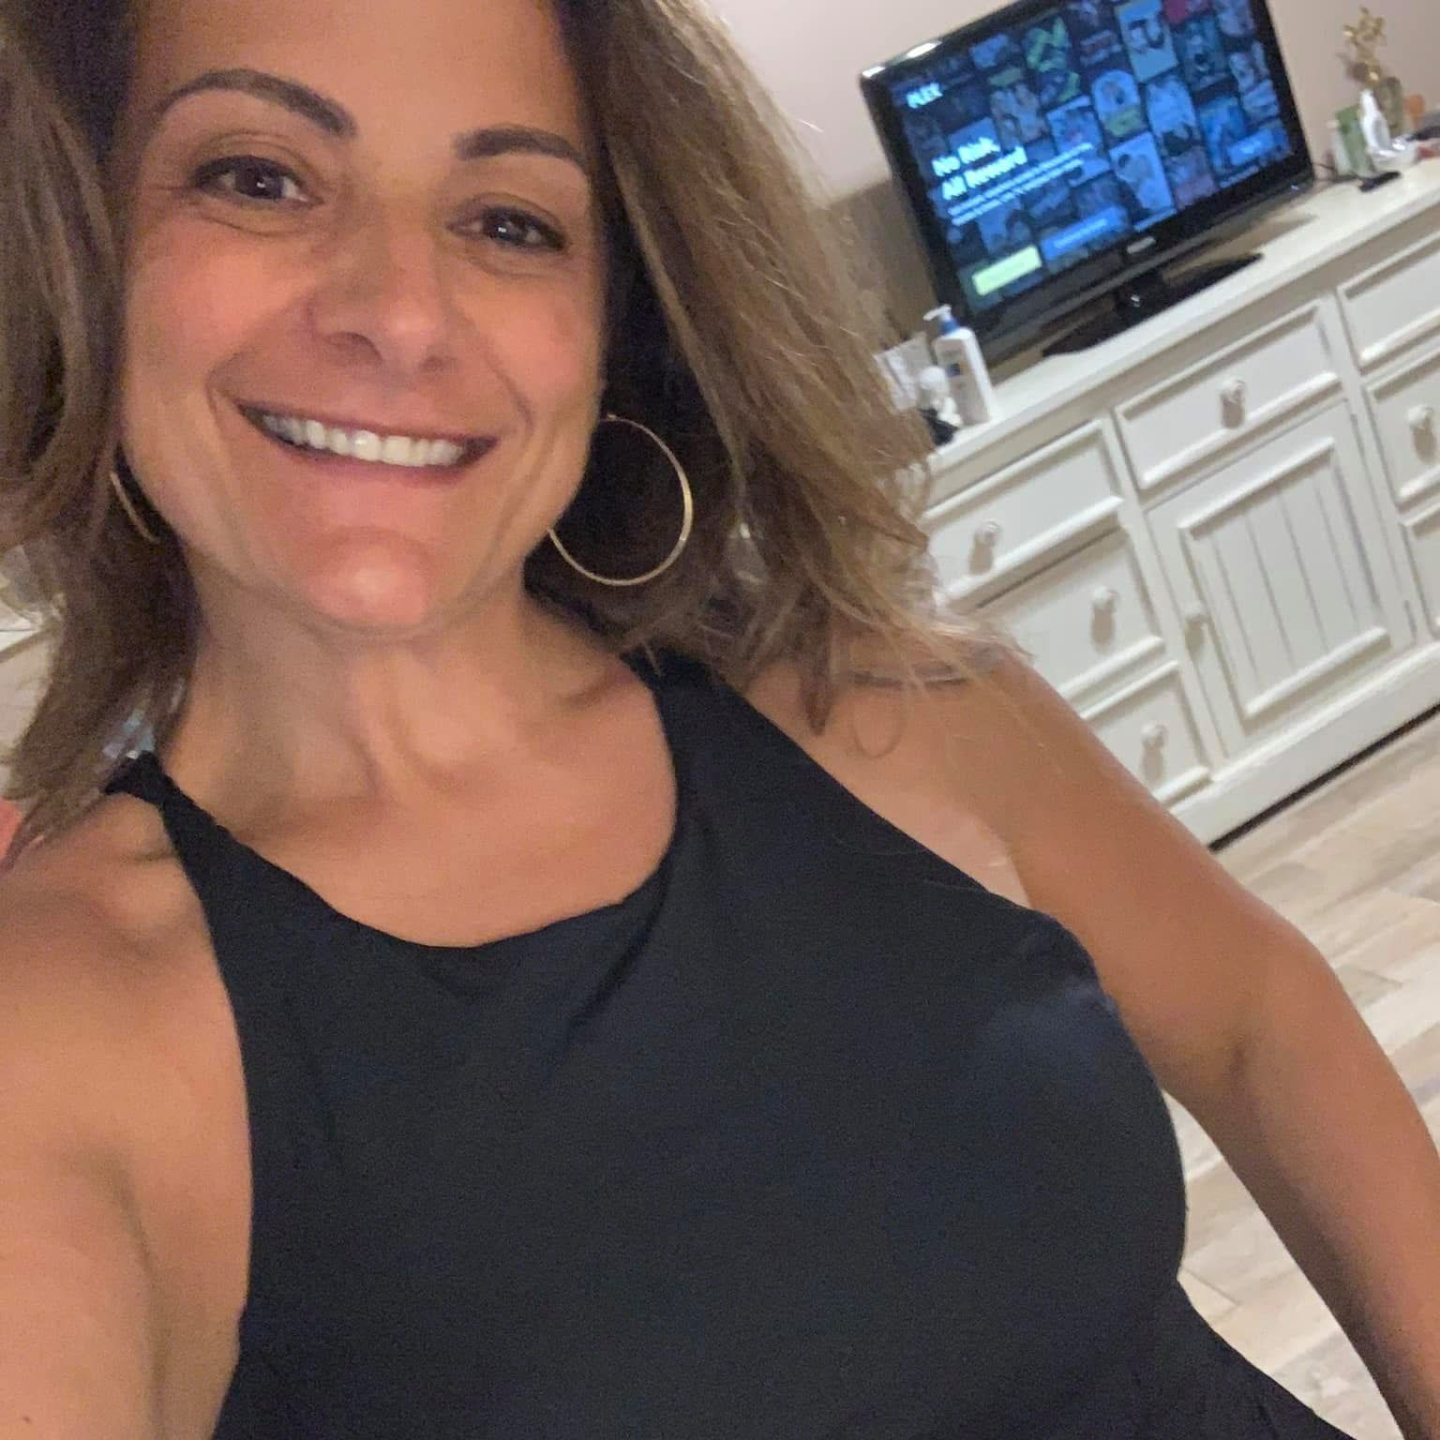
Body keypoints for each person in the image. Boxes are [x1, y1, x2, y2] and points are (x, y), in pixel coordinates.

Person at [2, 0, 1440, 1436]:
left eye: (509, 222)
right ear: (79, 251)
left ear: (612, 325)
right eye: (257, 178)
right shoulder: (63, 1025)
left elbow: (1260, 1022)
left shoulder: (880, 706)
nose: (400, 312)